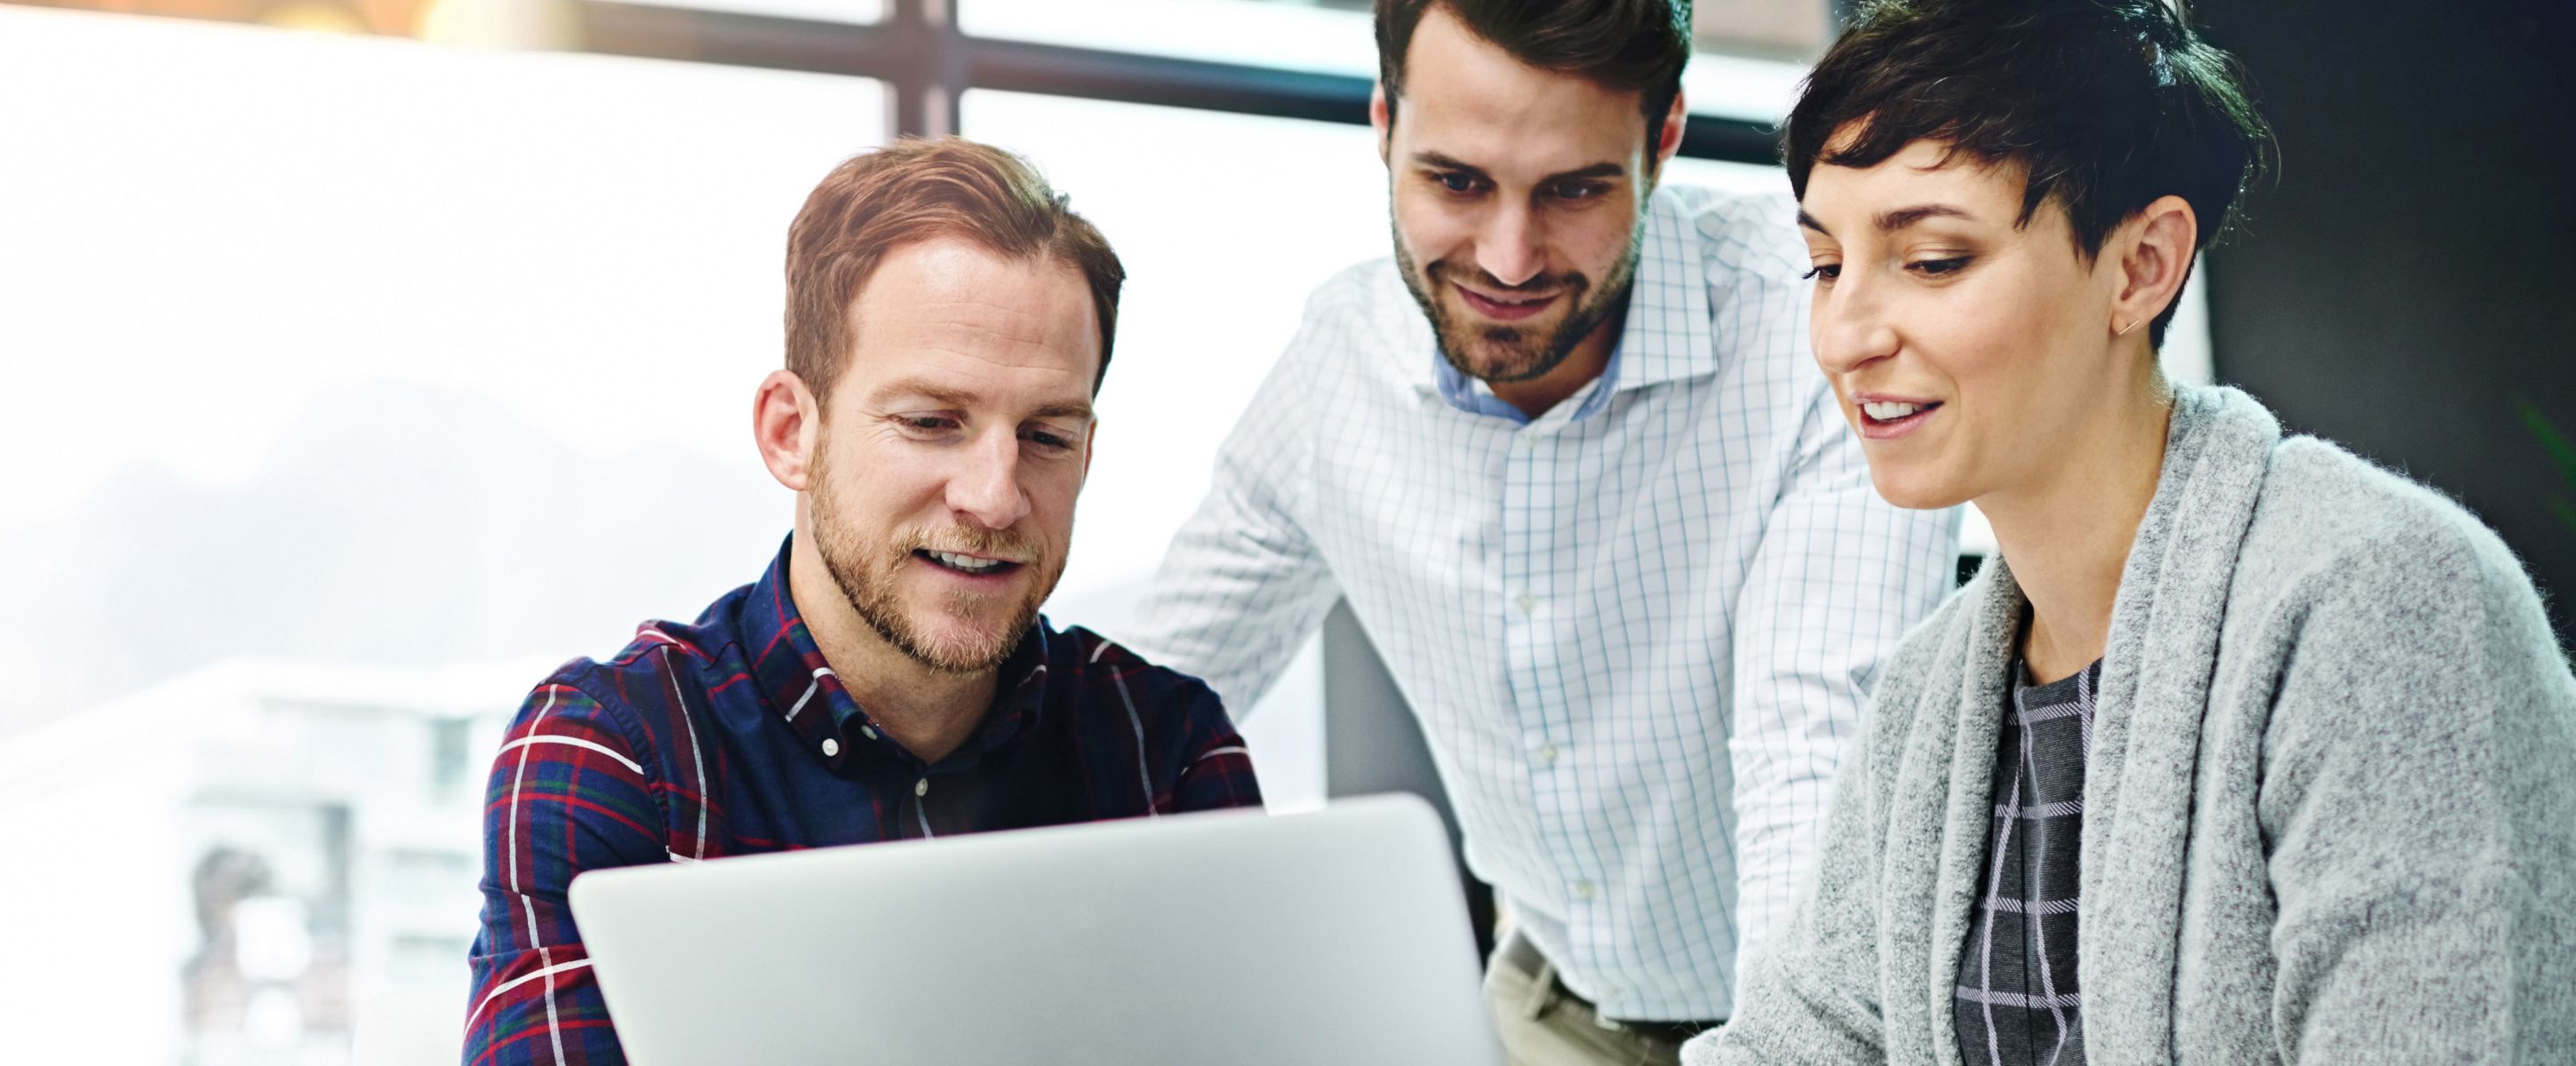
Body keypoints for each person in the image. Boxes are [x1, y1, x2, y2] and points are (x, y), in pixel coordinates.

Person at [1688, 1, 2576, 1062]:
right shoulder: (1930, 700)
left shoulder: (2382, 606)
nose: (1844, 335)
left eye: (1932, 259)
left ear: (2141, 267)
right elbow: (1810, 1034)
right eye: (1825, 265)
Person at [1126, 1, 1958, 1060]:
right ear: (1385, 125)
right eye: (1456, 182)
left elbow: (1815, 760)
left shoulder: (1815, 342)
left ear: (1662, 142)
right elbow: (1141, 717)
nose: (1510, 260)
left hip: (1818, 1013)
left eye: (1572, 189)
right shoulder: (1336, 368)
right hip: (1548, 1007)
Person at [459, 138, 1263, 1065]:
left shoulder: (1166, 752)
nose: (996, 498)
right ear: (792, 432)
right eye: (930, 423)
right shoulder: (618, 752)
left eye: (1045, 435)